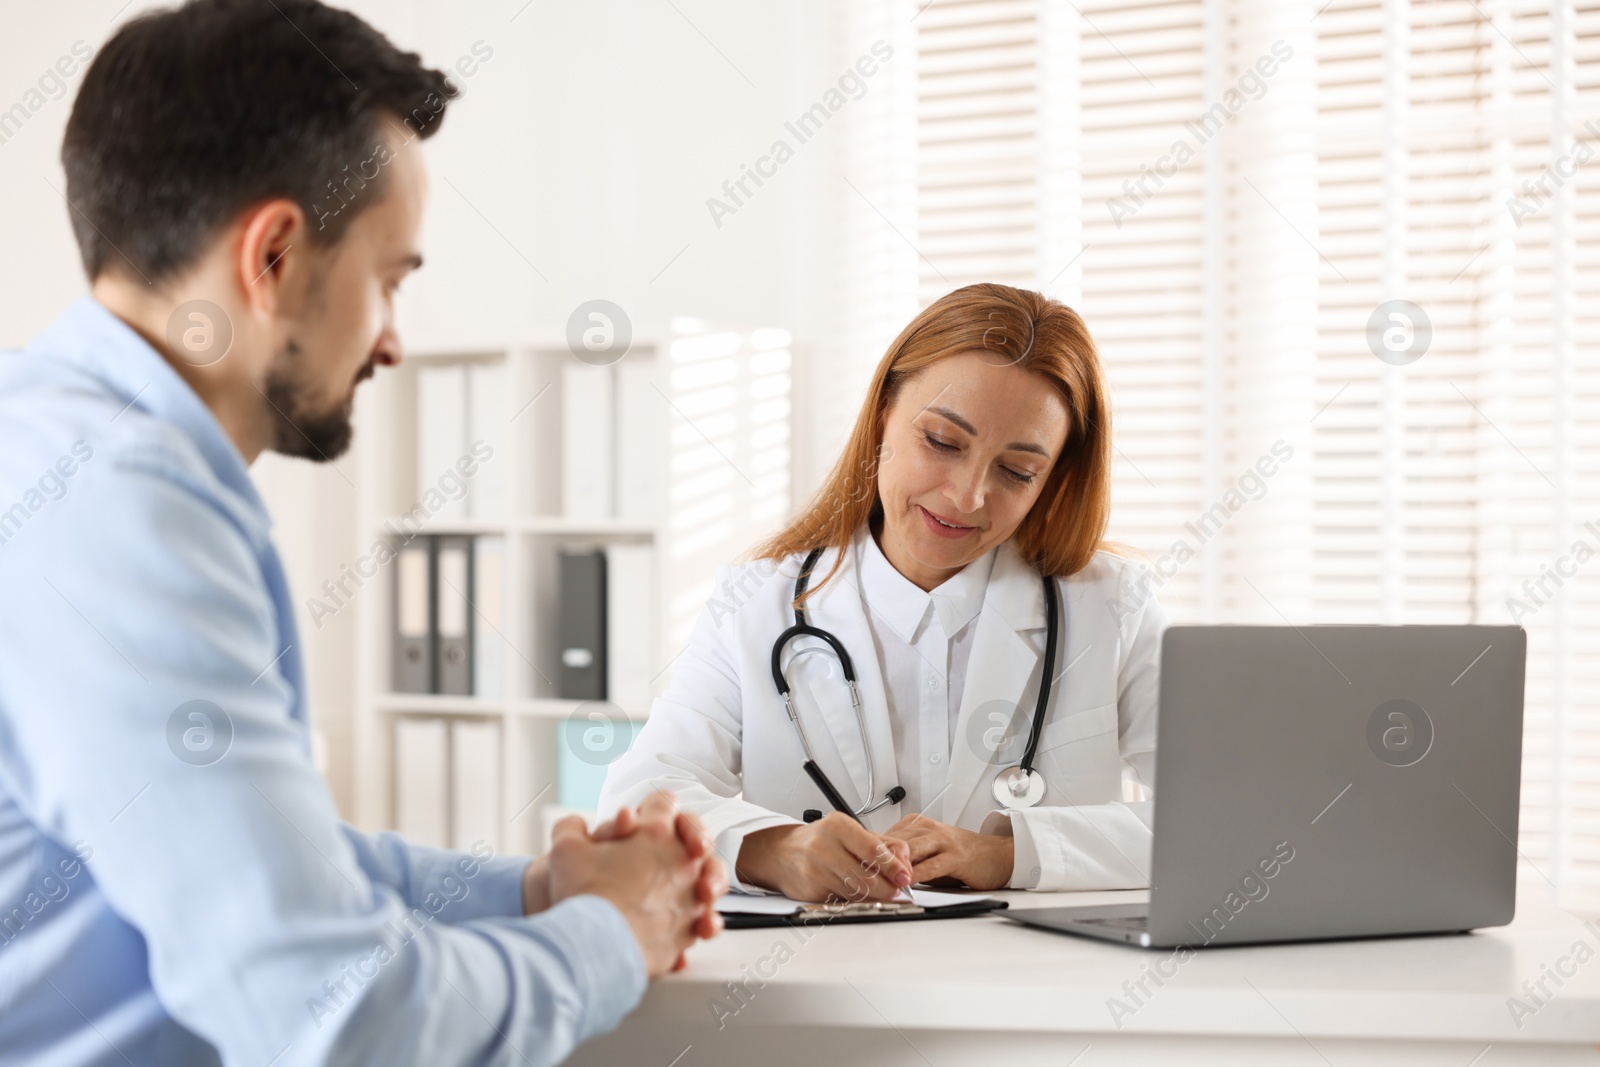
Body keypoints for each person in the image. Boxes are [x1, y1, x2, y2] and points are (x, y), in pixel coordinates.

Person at [0, 2, 725, 1065]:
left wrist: (535, 890)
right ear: (277, 255)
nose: (391, 341)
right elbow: (339, 1016)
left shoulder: (54, 442)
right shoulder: (127, 509)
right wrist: (614, 931)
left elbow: (252, 859)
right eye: (390, 280)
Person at [601, 283, 1168, 902]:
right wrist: (772, 848)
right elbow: (636, 800)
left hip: (1034, 987)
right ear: (881, 419)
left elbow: (1218, 823)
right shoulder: (756, 604)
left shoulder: (1111, 606)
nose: (967, 496)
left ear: (1052, 480)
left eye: (1017, 471)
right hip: (825, 986)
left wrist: (1009, 855)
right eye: (943, 443)